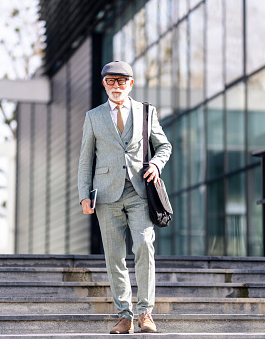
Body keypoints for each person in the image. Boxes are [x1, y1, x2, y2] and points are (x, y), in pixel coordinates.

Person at [78, 60, 172, 334]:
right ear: (104, 83)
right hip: (106, 194)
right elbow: (86, 160)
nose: (116, 86)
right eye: (111, 81)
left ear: (130, 84)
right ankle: (124, 315)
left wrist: (155, 164)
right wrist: (84, 194)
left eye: (122, 81)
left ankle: (145, 313)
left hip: (140, 191)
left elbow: (163, 145)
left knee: (144, 245)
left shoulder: (146, 112)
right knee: (115, 256)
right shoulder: (93, 116)